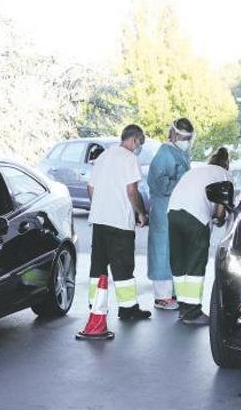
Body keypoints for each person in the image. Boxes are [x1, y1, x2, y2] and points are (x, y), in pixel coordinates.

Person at [77, 125, 151, 340]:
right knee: (123, 266)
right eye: (140, 143)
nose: (139, 147)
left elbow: (91, 188)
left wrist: (101, 206)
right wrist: (141, 213)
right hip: (119, 222)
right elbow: (132, 190)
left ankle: (96, 306)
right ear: (135, 140)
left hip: (99, 221)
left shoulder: (102, 157)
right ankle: (128, 309)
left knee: (98, 265)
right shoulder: (129, 159)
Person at [167, 147, 232, 325]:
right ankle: (193, 312)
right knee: (196, 262)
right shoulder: (224, 175)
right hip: (196, 216)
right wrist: (219, 219)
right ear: (227, 163)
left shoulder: (197, 171)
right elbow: (220, 207)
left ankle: (183, 307)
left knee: (179, 261)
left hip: (173, 212)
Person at [146, 118, 193, 310]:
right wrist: (181, 181)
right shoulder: (164, 153)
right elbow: (157, 183)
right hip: (163, 210)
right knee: (162, 252)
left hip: (174, 211)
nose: (185, 140)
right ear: (173, 134)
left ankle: (172, 294)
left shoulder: (180, 153)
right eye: (182, 136)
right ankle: (162, 297)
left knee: (174, 252)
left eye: (188, 137)